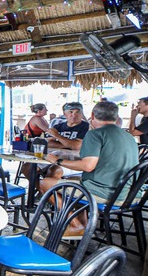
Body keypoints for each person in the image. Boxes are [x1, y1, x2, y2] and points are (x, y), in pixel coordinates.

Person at [42, 101, 138, 238]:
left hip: (108, 195)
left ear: (92, 115)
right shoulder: (128, 136)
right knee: (76, 180)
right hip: (129, 193)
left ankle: (76, 225)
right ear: (116, 117)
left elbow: (87, 166)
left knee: (45, 183)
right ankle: (84, 223)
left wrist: (57, 161)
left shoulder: (95, 134)